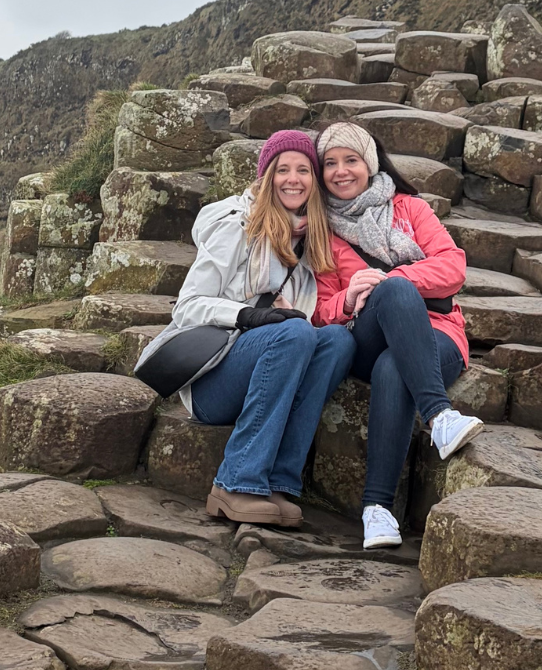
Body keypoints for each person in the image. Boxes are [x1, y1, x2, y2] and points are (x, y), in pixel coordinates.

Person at [139, 129, 355, 528]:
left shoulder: (310, 244)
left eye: (304, 170)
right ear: (267, 176)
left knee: (338, 341)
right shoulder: (238, 226)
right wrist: (247, 315)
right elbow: (187, 306)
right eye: (283, 169)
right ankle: (236, 482)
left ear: (315, 181)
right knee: (295, 333)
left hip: (270, 368)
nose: (294, 179)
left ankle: (277, 484)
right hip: (211, 379)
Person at [313, 122, 483, 549]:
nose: (341, 171)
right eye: (330, 163)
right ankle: (440, 414)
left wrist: (395, 279)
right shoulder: (319, 229)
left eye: (350, 160)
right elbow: (317, 310)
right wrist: (350, 299)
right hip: (363, 335)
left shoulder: (410, 210)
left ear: (369, 164)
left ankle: (377, 510)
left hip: (436, 333)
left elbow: (453, 267)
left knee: (395, 364)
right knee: (389, 305)